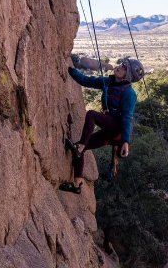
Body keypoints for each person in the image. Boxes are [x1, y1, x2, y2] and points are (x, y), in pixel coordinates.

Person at [59, 57, 145, 194]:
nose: (119, 67)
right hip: (108, 129)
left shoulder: (129, 93)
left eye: (124, 67)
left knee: (91, 116)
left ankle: (80, 146)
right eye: (121, 64)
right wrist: (69, 69)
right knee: (80, 148)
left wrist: (126, 141)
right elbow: (86, 81)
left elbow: (127, 118)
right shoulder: (108, 82)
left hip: (116, 129)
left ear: (128, 76)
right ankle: (77, 183)